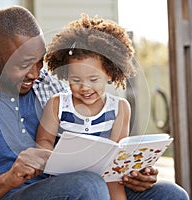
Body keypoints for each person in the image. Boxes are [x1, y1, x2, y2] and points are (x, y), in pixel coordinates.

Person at [0, 5, 188, 200]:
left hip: (75, 185)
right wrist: (9, 178)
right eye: (25, 64)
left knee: (170, 194)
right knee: (88, 187)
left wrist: (131, 169)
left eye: (40, 61)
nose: (36, 73)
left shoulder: (49, 83)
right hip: (13, 194)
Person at [36, 14, 137, 200]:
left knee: (112, 182)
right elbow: (44, 141)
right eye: (76, 80)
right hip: (64, 180)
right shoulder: (57, 105)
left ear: (110, 73)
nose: (84, 87)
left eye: (93, 79)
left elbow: (115, 158)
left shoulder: (120, 108)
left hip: (104, 178)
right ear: (66, 75)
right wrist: (53, 157)